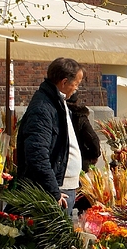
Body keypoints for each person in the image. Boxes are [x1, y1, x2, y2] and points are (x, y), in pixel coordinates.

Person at [16, 57, 84, 215]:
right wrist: (54, 191)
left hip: (63, 187)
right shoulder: (43, 107)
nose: (77, 88)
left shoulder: (57, 102)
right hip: (56, 190)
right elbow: (37, 153)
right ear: (64, 82)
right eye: (77, 83)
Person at [66, 91, 101, 173]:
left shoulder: (54, 113)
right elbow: (93, 139)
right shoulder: (79, 116)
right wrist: (94, 155)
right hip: (78, 159)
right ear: (76, 101)